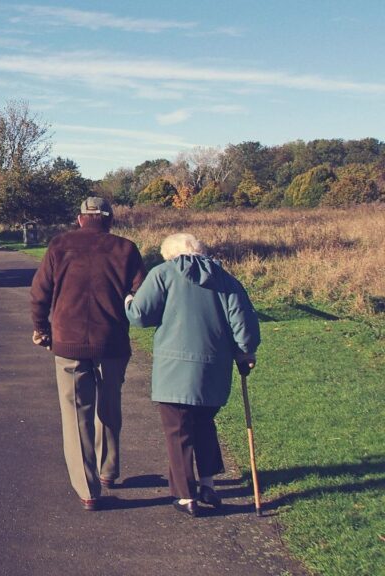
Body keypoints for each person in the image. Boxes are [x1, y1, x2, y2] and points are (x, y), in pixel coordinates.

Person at [125, 233, 260, 517]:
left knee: (178, 431)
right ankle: (208, 484)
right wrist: (246, 352)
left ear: (170, 255)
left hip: (174, 370)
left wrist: (128, 301)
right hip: (214, 369)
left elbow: (140, 315)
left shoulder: (163, 274)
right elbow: (243, 324)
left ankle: (186, 496)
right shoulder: (225, 279)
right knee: (204, 424)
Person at [30, 196, 145, 511]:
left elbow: (39, 292)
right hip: (112, 343)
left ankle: (88, 490)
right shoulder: (126, 249)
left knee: (76, 415)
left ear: (80, 219)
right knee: (109, 407)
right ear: (109, 220)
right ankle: (108, 471)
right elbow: (141, 294)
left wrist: (42, 328)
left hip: (68, 343)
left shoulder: (59, 245)